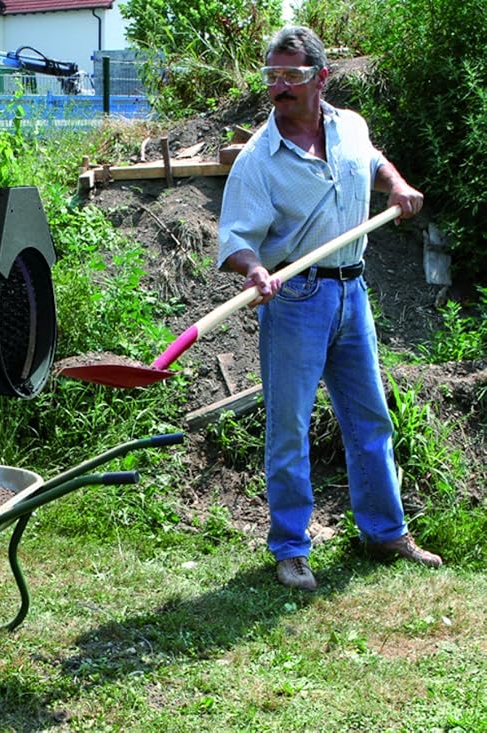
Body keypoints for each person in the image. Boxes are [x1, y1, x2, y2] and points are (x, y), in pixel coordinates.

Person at [217, 25, 443, 590]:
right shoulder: (258, 160)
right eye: (272, 76)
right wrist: (254, 268)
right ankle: (292, 547)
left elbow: (373, 162)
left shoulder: (351, 129)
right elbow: (235, 239)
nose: (279, 87)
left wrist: (396, 184)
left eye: (291, 75)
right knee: (288, 428)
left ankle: (385, 533)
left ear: (321, 78)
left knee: (369, 418)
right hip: (294, 299)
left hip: (353, 292)